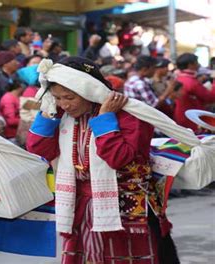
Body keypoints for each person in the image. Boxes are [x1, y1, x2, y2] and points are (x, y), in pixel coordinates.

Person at [27, 57, 180, 264]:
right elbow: (39, 148)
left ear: (89, 91)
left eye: (69, 97)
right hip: (80, 208)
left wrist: (105, 118)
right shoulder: (61, 115)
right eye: (57, 97)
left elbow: (118, 158)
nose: (64, 104)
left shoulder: (129, 115)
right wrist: (47, 115)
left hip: (124, 209)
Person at [174, 53, 215, 132]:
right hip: (193, 120)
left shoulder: (180, 78)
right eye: (196, 62)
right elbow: (211, 98)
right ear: (190, 65)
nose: (198, 65)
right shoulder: (191, 82)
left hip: (182, 116)